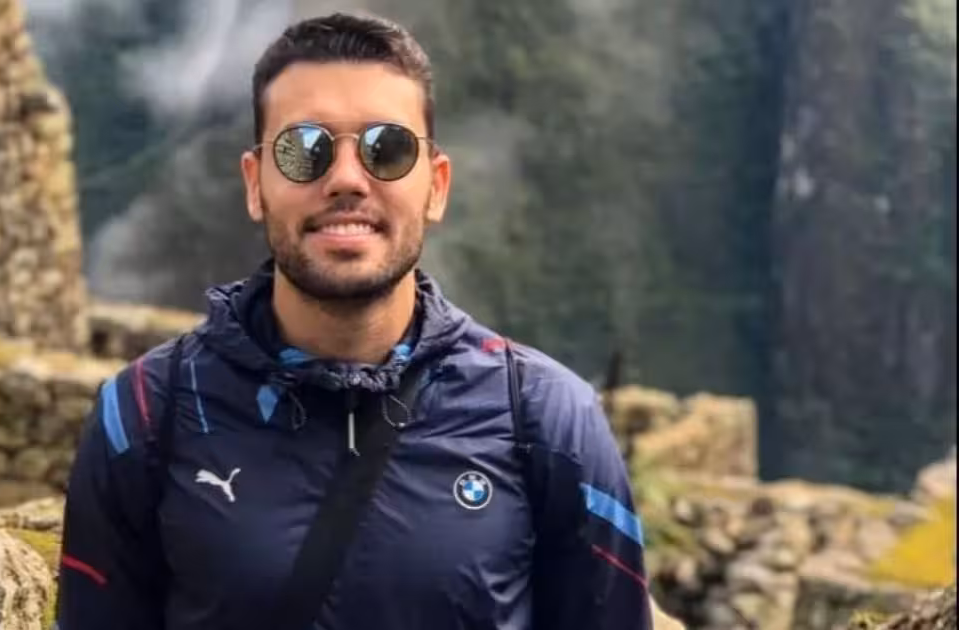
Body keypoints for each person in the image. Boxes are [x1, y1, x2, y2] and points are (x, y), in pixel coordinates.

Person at [55, 11, 653, 630]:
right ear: (256, 184)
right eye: (304, 149)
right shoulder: (145, 416)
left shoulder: (546, 419)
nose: (346, 179)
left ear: (436, 186)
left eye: (386, 148)